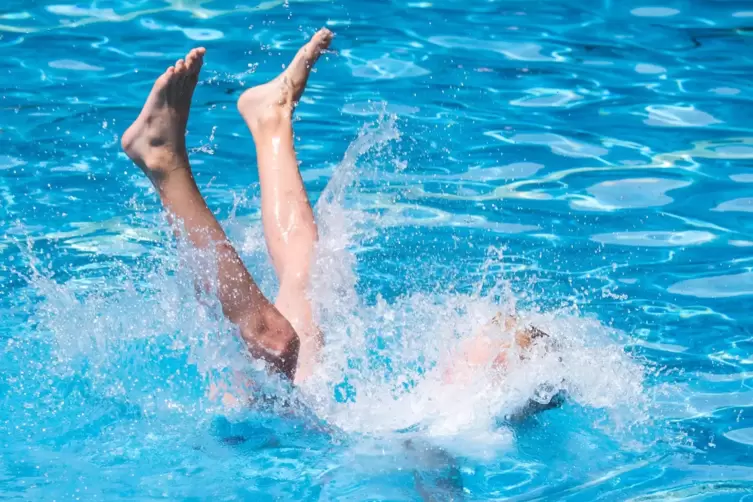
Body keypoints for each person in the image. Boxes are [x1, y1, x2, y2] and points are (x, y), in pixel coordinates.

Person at [121, 28, 549, 391]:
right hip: (308, 421)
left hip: (287, 439)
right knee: (309, 282)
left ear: (501, 383)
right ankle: (272, 120)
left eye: (483, 350)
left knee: (275, 341)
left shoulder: (452, 438)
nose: (461, 349)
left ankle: (164, 162)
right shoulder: (431, 409)